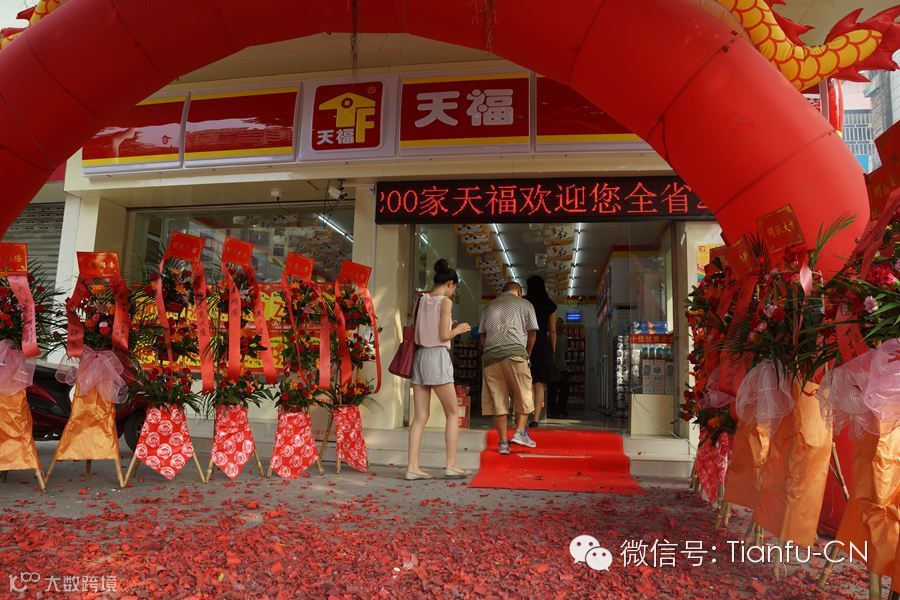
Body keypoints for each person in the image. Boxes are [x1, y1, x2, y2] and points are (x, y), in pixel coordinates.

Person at [406, 259, 472, 481]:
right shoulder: (445, 302)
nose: (453, 292)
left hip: (420, 357)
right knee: (452, 413)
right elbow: (444, 335)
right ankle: (451, 464)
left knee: (419, 416)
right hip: (437, 357)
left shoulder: (421, 300)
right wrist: (458, 329)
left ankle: (412, 466)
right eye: (454, 288)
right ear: (450, 284)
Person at [479, 281, 539, 454]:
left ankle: (503, 443)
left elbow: (482, 335)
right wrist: (527, 353)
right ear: (519, 292)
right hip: (515, 354)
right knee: (524, 393)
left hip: (491, 358)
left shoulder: (489, 306)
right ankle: (520, 432)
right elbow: (532, 333)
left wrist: (489, 350)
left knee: (498, 401)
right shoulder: (525, 304)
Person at [524, 275, 557, 427]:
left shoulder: (524, 302)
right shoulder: (550, 305)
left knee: (526, 381)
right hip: (543, 344)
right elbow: (553, 330)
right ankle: (536, 419)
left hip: (526, 342)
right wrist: (552, 350)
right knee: (539, 384)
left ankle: (524, 414)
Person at [548, 317, 570, 419]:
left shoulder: (565, 338)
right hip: (552, 367)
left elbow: (565, 352)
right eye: (559, 323)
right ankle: (553, 411)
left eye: (562, 323)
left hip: (563, 367)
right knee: (552, 390)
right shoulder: (550, 337)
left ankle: (561, 408)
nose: (561, 326)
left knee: (565, 390)